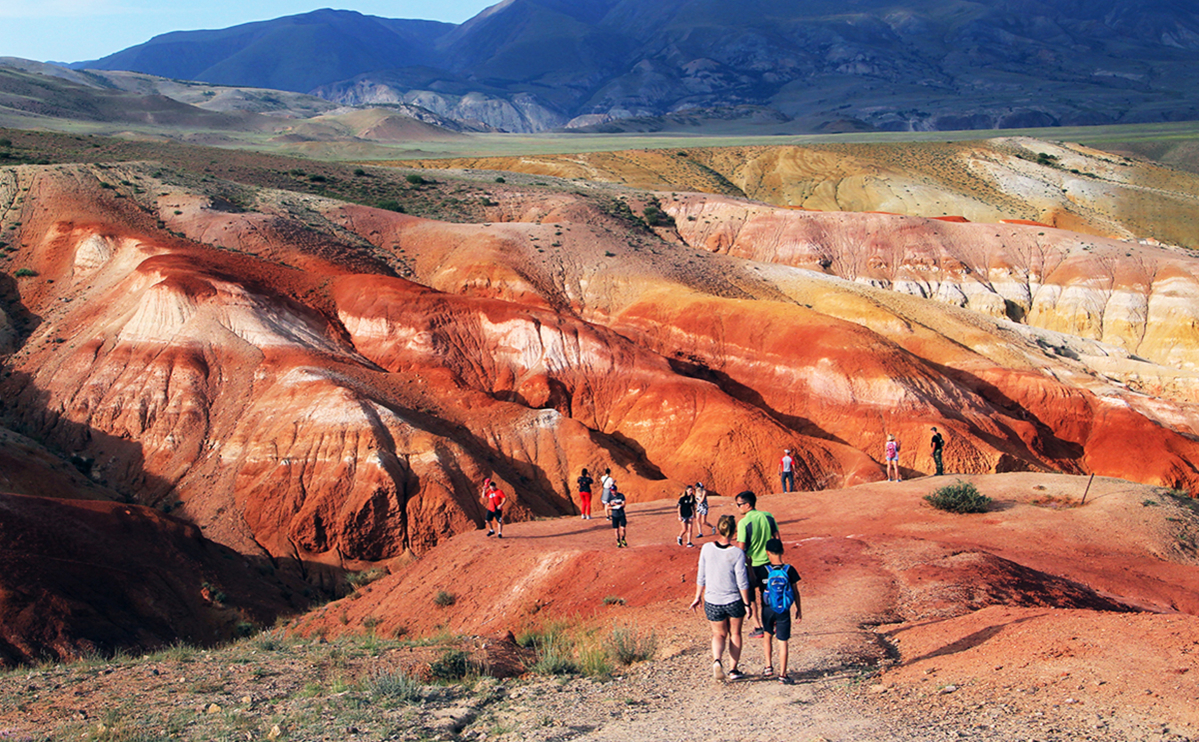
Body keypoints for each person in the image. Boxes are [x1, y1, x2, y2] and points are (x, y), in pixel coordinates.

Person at [690, 515, 751, 681]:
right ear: (734, 531)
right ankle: (733, 669)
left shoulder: (706, 548)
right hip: (733, 600)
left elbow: (701, 575)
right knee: (735, 634)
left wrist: (697, 596)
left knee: (718, 634)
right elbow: (742, 581)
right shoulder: (737, 553)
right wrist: (747, 603)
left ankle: (717, 660)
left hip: (712, 600)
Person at [734, 490, 779, 639]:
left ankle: (758, 626)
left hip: (752, 565)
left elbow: (741, 548)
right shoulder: (768, 516)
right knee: (769, 594)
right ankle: (774, 623)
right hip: (769, 563)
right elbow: (777, 539)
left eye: (739, 504)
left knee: (751, 597)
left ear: (748, 505)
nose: (738, 507)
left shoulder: (744, 523)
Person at [759, 538, 802, 684]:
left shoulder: (763, 570)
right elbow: (795, 591)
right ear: (782, 551)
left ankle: (768, 666)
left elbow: (756, 587)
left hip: (767, 609)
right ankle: (783, 675)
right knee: (783, 641)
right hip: (783, 609)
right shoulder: (789, 570)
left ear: (767, 553)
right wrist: (798, 609)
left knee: (767, 635)